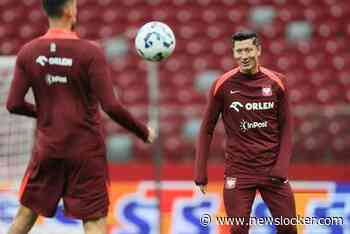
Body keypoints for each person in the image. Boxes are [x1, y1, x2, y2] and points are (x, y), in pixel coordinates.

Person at [6, 0, 155, 234]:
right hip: (86, 153)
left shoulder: (28, 52)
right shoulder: (90, 52)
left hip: (48, 150)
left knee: (24, 217)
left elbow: (13, 104)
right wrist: (143, 131)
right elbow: (111, 106)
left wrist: (46, 114)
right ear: (68, 10)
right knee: (94, 221)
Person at [194, 31, 297, 233]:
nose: (244, 55)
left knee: (288, 229)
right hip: (239, 172)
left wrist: (281, 168)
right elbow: (206, 129)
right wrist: (200, 174)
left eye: (248, 49)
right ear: (233, 53)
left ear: (258, 50)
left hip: (272, 172)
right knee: (239, 230)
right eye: (239, 51)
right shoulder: (222, 85)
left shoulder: (278, 82)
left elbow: (287, 126)